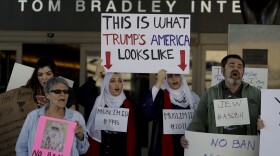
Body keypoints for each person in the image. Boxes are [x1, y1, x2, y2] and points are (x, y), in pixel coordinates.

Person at [180, 54, 261, 148]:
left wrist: (263, 126)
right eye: (231, 66)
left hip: (247, 149)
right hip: (219, 148)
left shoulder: (256, 93)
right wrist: (188, 136)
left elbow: (267, 121)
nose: (236, 69)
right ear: (222, 71)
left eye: (240, 67)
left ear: (243, 72)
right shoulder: (209, 94)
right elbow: (199, 121)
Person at [15, 77, 89, 155]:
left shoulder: (76, 117)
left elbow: (83, 150)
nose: (62, 94)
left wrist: (81, 137)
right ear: (47, 95)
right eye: (57, 91)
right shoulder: (33, 116)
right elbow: (21, 148)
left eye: (66, 91)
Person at [78, 63, 136, 156]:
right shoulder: (98, 102)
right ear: (106, 84)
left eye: (120, 81)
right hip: (100, 151)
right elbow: (80, 96)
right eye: (112, 81)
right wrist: (95, 77)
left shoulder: (128, 105)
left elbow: (132, 136)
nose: (117, 84)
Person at [140, 69, 200, 156]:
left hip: (187, 147)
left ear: (182, 77)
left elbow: (201, 123)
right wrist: (158, 82)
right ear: (165, 79)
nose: (174, 79)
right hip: (164, 148)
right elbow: (146, 112)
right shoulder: (160, 97)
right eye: (170, 76)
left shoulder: (193, 98)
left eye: (177, 75)